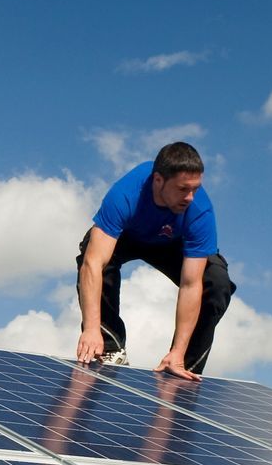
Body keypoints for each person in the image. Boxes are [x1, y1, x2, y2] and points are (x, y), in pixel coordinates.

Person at [73, 141, 235, 380]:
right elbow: (93, 264)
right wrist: (91, 329)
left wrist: (178, 351)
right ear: (158, 180)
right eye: (182, 189)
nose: (190, 197)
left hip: (173, 243)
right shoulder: (126, 195)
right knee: (93, 251)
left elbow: (191, 284)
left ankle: (181, 365)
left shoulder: (200, 211)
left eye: (195, 189)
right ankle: (110, 346)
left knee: (217, 282)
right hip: (128, 235)